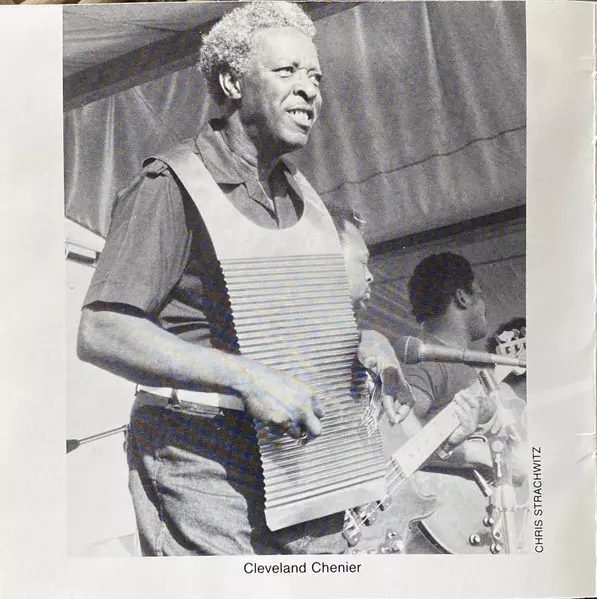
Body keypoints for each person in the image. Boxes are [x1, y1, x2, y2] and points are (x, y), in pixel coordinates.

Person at [76, 2, 410, 556]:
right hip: (201, 457)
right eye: (287, 72)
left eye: (315, 77)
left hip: (298, 463)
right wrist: (248, 379)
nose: (309, 90)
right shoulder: (171, 184)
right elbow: (101, 331)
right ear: (232, 83)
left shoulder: (304, 199)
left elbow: (296, 330)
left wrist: (364, 344)